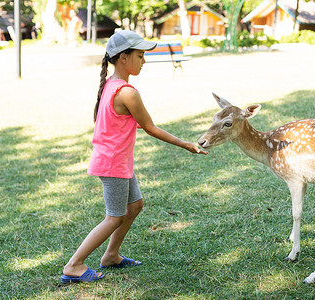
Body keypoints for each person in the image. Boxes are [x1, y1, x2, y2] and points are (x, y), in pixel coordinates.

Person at [61, 30, 207, 283]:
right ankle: (73, 265)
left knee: (135, 205)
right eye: (140, 55)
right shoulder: (127, 92)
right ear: (122, 58)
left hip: (118, 161)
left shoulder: (111, 85)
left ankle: (111, 255)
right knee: (114, 216)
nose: (144, 61)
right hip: (113, 163)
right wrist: (185, 144)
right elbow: (150, 127)